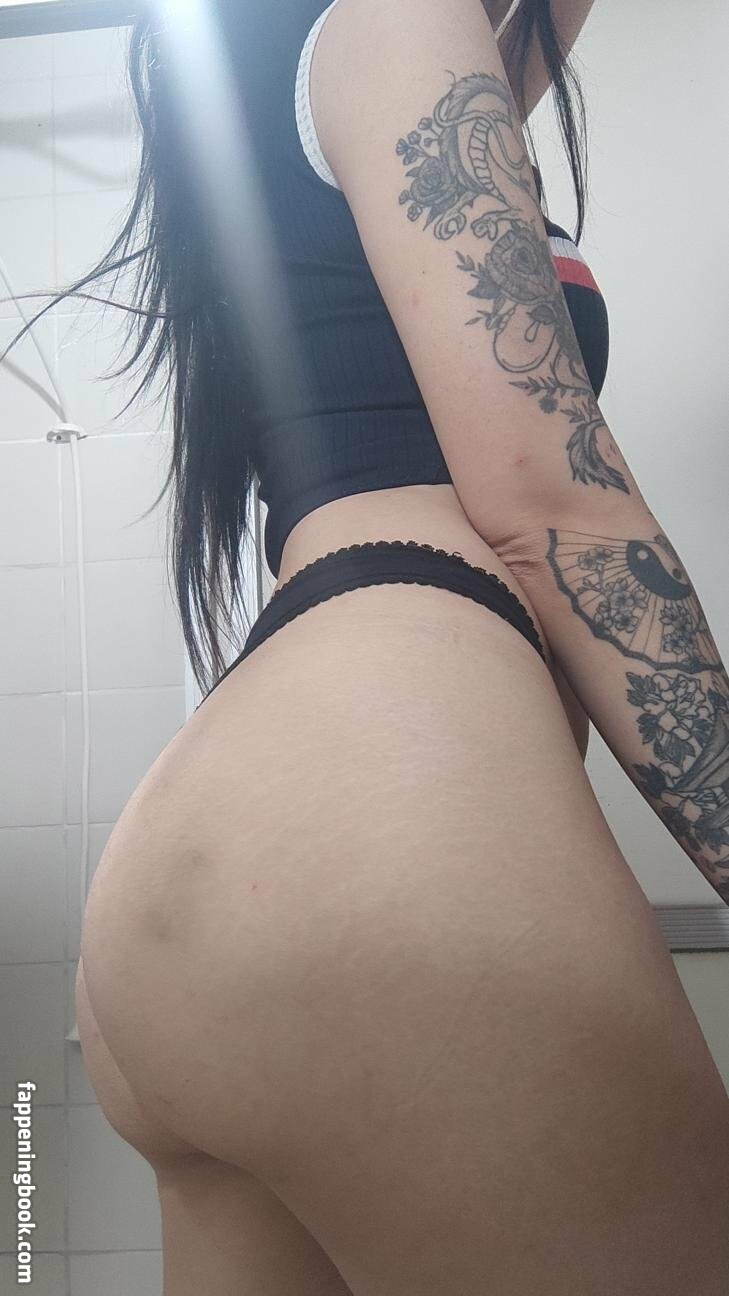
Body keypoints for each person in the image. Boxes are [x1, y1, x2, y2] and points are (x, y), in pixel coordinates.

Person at [9, 1, 729, 1291]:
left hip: (195, 889)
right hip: (388, 857)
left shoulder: (284, 76)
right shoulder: (397, 18)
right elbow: (554, 510)